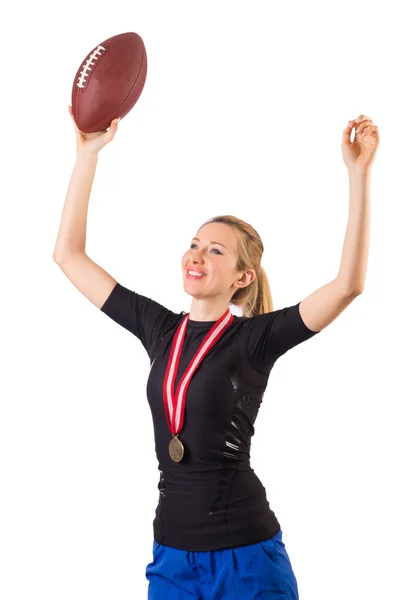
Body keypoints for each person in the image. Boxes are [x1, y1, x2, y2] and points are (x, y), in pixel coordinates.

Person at [53, 107, 379, 599]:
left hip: (246, 556)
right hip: (172, 555)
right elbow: (68, 256)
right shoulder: (158, 328)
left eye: (216, 251)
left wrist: (359, 175)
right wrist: (87, 155)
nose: (197, 255)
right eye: (194, 244)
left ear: (242, 278)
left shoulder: (255, 340)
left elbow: (348, 285)